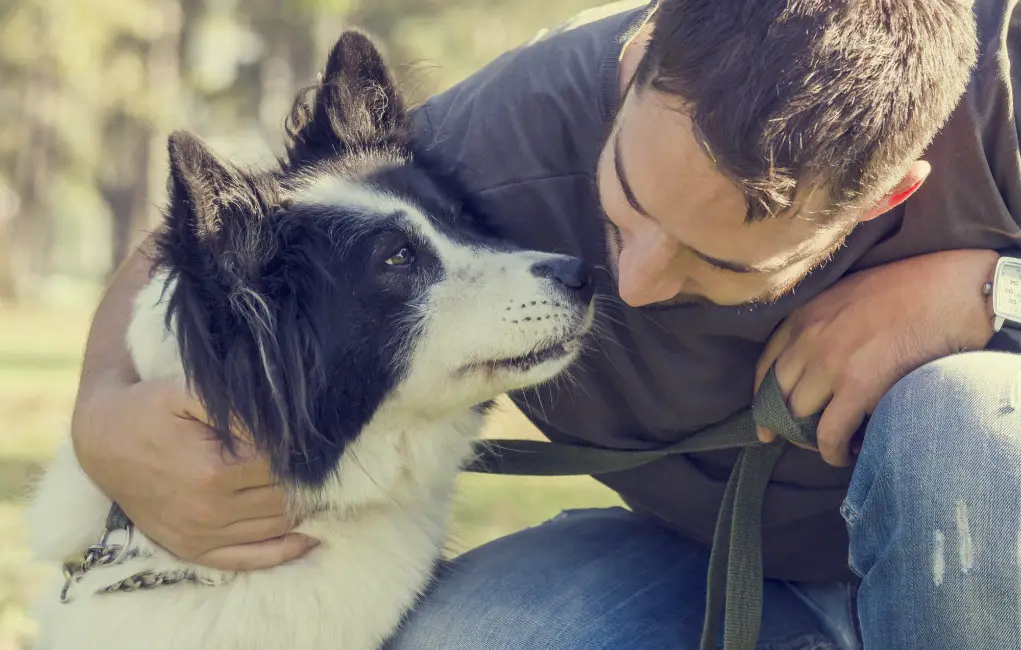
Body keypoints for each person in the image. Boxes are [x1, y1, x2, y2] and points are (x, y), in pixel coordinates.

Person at [69, 0, 1021, 648]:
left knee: (963, 421)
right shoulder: (510, 127)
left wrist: (982, 292)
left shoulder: (1003, 88)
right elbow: (226, 229)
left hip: (986, 564)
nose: (636, 284)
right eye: (622, 210)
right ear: (638, 55)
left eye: (716, 263)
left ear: (884, 195)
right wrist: (102, 412)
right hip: (697, 565)